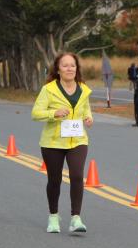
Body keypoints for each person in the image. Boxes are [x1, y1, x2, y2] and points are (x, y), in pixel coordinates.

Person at [31, 52, 94, 233]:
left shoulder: (83, 89)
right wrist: (54, 113)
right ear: (58, 69)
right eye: (65, 65)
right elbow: (35, 113)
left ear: (77, 68)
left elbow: (86, 109)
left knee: (77, 176)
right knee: (54, 180)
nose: (69, 68)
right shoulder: (49, 89)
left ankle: (76, 218)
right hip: (53, 143)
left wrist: (88, 117)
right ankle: (53, 216)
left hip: (78, 140)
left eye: (72, 65)